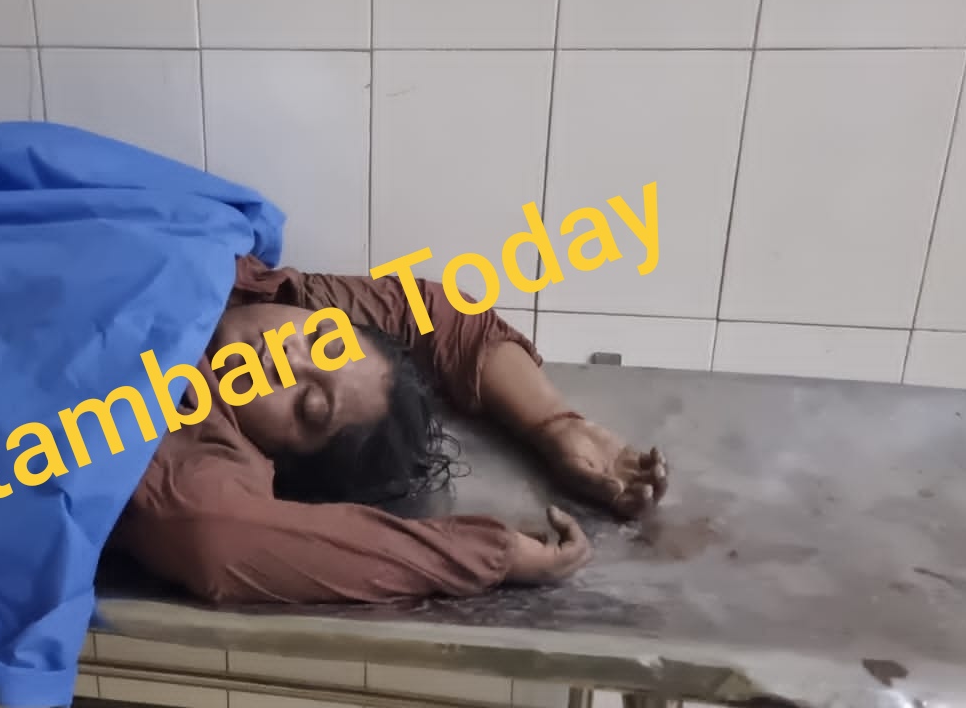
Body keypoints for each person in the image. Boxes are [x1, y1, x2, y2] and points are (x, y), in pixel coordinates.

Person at [118, 254, 669, 604]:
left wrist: (485, 553)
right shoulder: (281, 296)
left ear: (272, 461)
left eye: (308, 404)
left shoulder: (189, 444)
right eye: (322, 342)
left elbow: (217, 537)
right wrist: (554, 423)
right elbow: (434, 310)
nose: (286, 359)